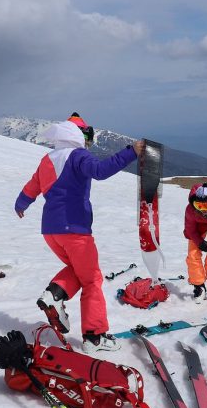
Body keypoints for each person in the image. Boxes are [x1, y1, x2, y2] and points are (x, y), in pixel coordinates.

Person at [14, 112, 144, 354]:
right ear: (78, 135)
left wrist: (21, 204)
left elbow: (32, 187)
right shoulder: (78, 156)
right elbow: (101, 170)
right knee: (92, 279)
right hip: (75, 229)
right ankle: (94, 336)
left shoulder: (47, 159)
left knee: (79, 270)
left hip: (51, 231)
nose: (88, 141)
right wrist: (132, 152)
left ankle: (55, 294)